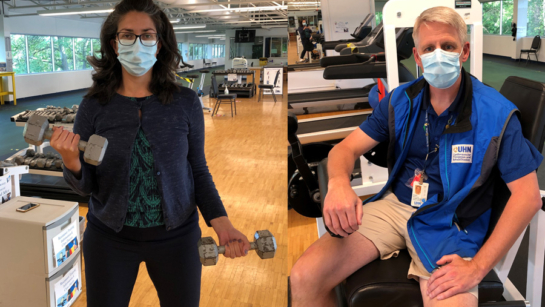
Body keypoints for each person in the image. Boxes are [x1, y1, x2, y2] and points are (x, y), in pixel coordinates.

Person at [290, 6, 543, 307]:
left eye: (448, 46)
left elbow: (527, 197)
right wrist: (339, 183)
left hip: (450, 222)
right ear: (418, 57)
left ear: (464, 51)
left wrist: (478, 267)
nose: (439, 54)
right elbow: (344, 149)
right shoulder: (400, 101)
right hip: (395, 206)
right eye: (429, 48)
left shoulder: (497, 114)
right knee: (305, 276)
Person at [50, 0, 250, 306]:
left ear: (159, 44)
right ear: (114, 44)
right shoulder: (94, 106)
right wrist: (71, 161)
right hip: (109, 239)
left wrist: (221, 223)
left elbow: (197, 169)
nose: (137, 43)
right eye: (127, 35)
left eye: (147, 35)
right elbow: (87, 186)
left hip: (177, 239)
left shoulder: (185, 102)